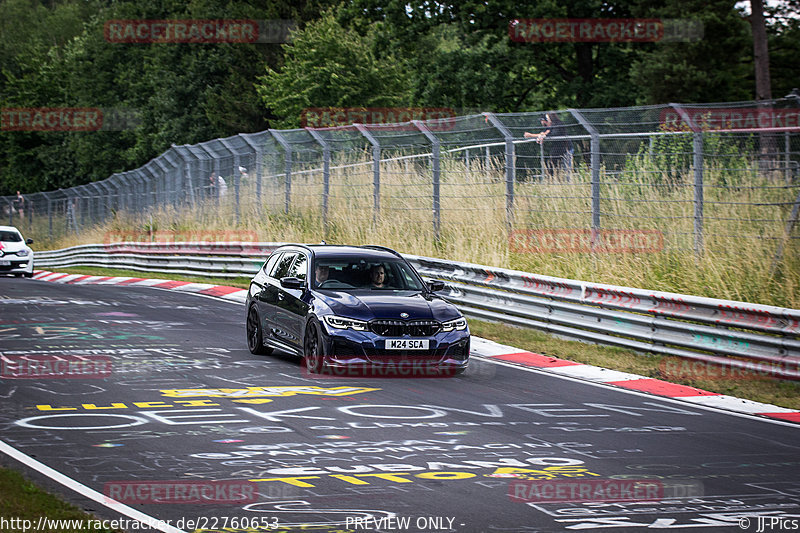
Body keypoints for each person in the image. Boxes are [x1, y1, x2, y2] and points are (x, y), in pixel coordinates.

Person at [524, 112, 573, 178]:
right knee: (553, 165)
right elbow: (544, 133)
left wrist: (534, 135)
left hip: (566, 149)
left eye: (547, 118)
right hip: (558, 150)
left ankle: (567, 182)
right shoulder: (550, 126)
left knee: (566, 168)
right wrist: (540, 136)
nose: (547, 119)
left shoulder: (558, 124)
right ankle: (554, 179)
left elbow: (552, 134)